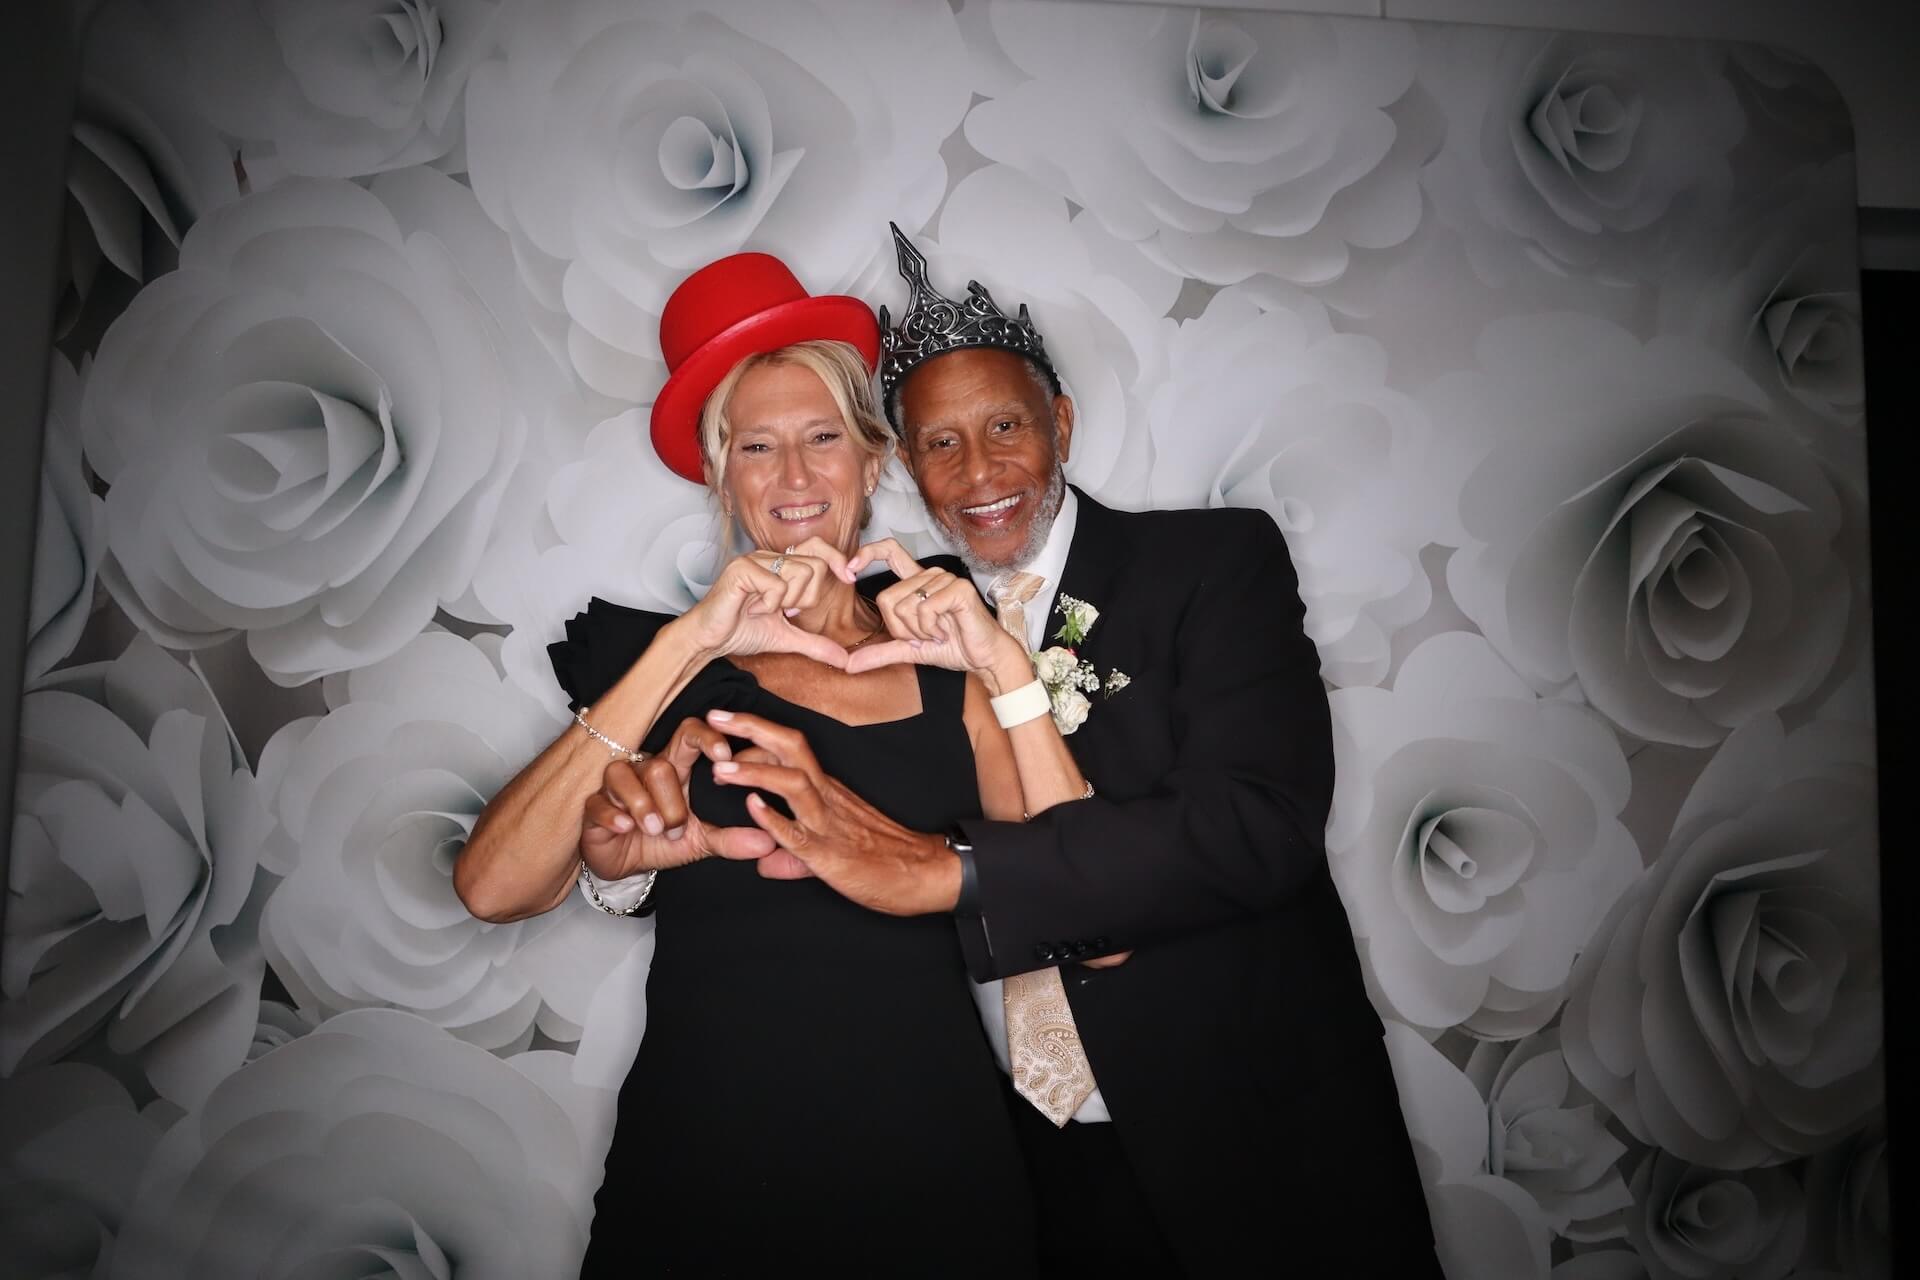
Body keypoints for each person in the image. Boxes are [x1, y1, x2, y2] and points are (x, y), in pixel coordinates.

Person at [586, 227, 1443, 1275]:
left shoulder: (1210, 563)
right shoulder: (892, 619)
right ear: (903, 464)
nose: (979, 469)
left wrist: (952, 862)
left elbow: (1258, 827)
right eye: (939, 443)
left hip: (1244, 1127)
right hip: (1018, 1164)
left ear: (1061, 423)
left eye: (1004, 426)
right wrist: (626, 861)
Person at [453, 252, 1098, 1276]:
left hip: (933, 1166)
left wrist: (1004, 667)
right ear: (722, 474)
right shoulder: (656, 667)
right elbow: (492, 888)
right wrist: (686, 645)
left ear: (872, 461)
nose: (794, 479)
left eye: (822, 439)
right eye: (757, 447)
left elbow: (1079, 915)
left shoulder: (948, 659)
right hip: (703, 1167)